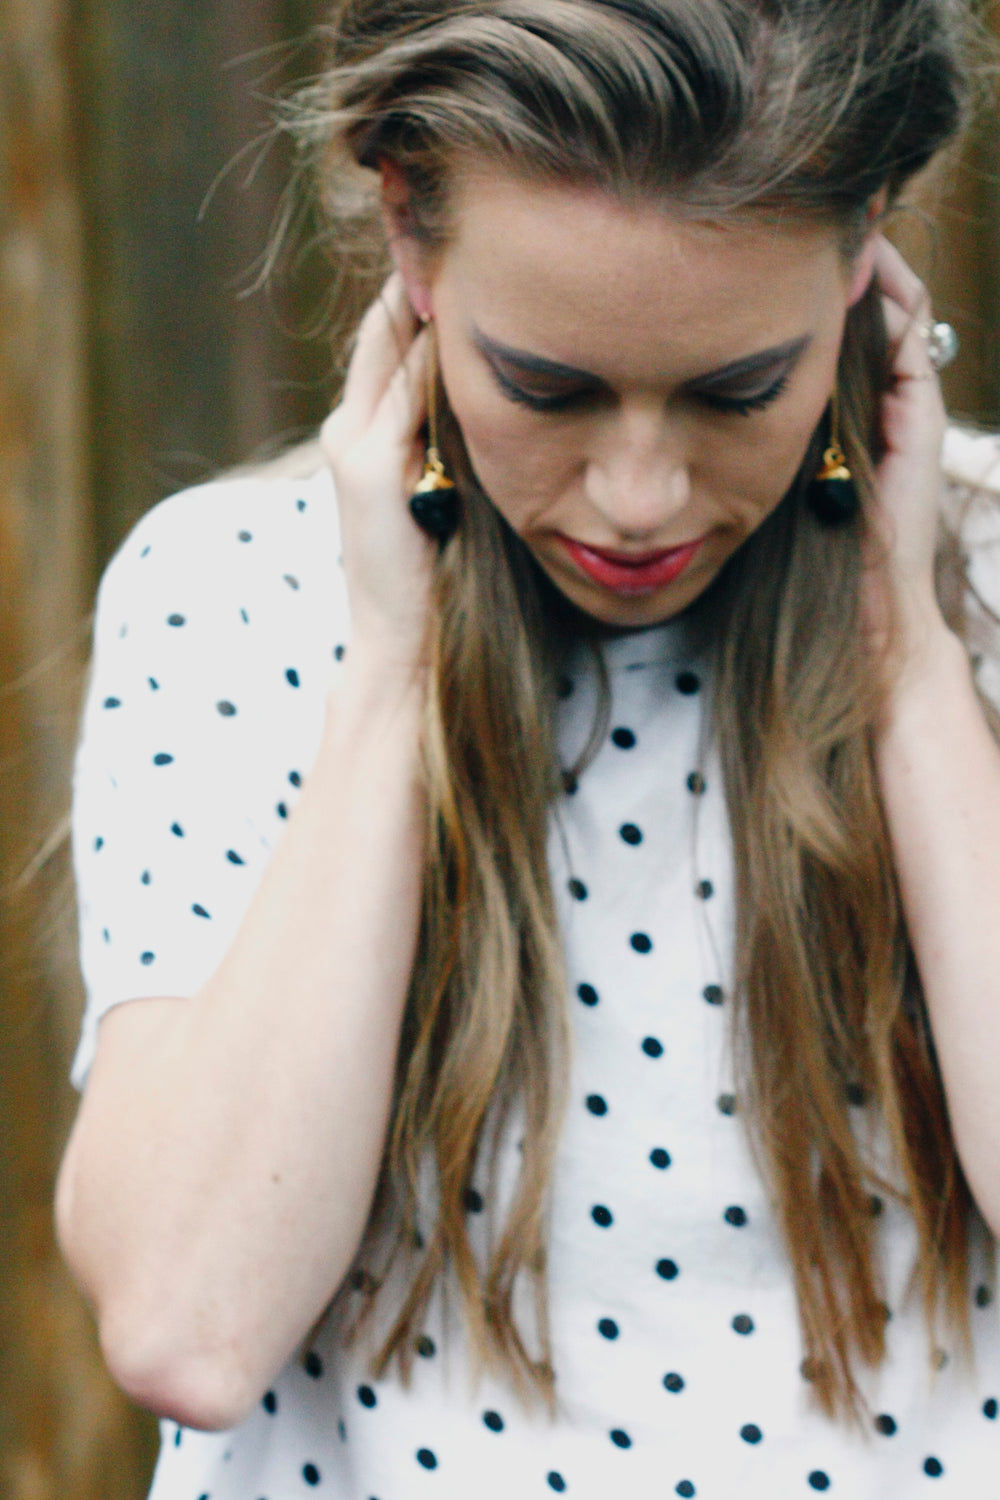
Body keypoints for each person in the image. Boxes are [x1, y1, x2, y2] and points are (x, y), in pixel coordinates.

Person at [55, 1, 1000, 1495]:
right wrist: (392, 672)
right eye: (548, 389)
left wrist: (915, 670)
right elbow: (191, 1322)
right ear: (409, 242)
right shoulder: (231, 595)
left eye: (737, 392)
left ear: (867, 240)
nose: (637, 494)